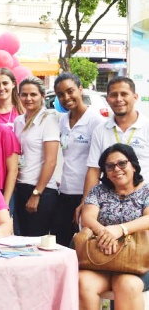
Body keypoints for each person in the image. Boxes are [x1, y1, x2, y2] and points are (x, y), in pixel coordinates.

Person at [79, 144, 149, 309]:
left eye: (122, 163)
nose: (116, 169)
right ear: (106, 173)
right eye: (110, 166)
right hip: (100, 259)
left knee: (127, 285)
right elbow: (87, 217)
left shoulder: (146, 190)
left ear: (133, 165)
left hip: (138, 263)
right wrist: (105, 233)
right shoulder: (98, 191)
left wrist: (120, 229)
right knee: (82, 281)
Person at [80, 77, 149, 222]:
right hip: (108, 203)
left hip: (143, 202)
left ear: (135, 97)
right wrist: (86, 202)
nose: (119, 99)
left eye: (124, 94)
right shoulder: (101, 130)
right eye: (113, 95)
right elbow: (94, 170)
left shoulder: (147, 126)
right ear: (108, 99)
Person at [52, 73, 105, 247]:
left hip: (85, 195)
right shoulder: (63, 121)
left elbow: (97, 166)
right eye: (60, 94)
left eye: (70, 91)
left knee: (82, 247)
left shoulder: (96, 122)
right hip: (65, 192)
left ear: (81, 90)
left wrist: (86, 200)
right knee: (60, 241)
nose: (66, 98)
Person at [13, 77, 59, 236]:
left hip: (41, 191)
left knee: (36, 241)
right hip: (20, 187)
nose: (28, 98)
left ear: (43, 95)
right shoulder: (18, 121)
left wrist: (36, 194)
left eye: (33, 94)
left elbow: (51, 161)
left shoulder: (49, 121)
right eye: (24, 95)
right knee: (21, 239)